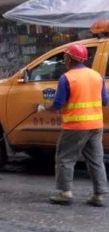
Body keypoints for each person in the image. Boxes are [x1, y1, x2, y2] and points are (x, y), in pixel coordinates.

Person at [38, 43, 109, 206]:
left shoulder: (67, 78)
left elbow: (58, 104)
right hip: (96, 126)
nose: (64, 59)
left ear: (70, 58)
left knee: (65, 158)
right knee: (96, 160)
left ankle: (65, 193)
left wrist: (43, 108)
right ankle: (99, 195)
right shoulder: (97, 76)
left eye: (65, 56)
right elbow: (105, 101)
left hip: (76, 126)